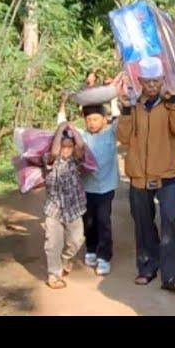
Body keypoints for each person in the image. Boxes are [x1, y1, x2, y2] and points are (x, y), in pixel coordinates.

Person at [117, 56, 175, 290]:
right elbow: (123, 138)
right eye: (147, 82)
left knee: (170, 220)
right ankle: (147, 267)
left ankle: (173, 274)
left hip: (168, 172)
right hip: (139, 174)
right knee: (143, 222)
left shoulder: (171, 103)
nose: (151, 86)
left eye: (156, 82)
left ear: (162, 80)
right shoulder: (133, 105)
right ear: (139, 81)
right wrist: (126, 112)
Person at [58, 76, 121, 276]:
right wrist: (63, 103)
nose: (92, 123)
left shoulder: (111, 133)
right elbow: (62, 126)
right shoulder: (81, 137)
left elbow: (119, 118)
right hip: (87, 187)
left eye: (96, 119)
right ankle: (92, 249)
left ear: (104, 119)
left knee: (103, 220)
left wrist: (114, 97)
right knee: (89, 221)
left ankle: (104, 256)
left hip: (106, 187)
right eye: (89, 120)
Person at [42, 122, 87, 289]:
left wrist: (73, 130)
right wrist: (60, 129)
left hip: (74, 210)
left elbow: (81, 146)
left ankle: (66, 258)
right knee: (52, 243)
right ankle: (54, 275)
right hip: (53, 210)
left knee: (76, 241)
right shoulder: (49, 160)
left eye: (69, 147)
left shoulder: (76, 162)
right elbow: (54, 152)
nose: (66, 150)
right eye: (63, 146)